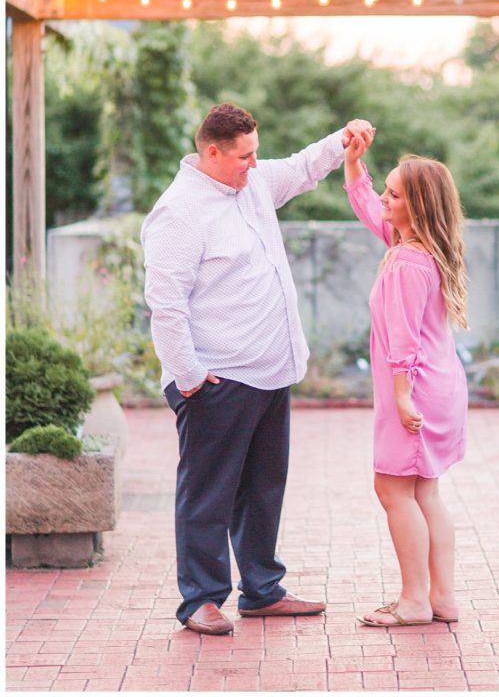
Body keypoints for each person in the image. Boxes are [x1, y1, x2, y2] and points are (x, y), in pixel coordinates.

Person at [141, 102, 374, 635]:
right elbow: (167, 305)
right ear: (213, 151)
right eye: (244, 155)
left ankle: (262, 590)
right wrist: (191, 378)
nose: (254, 162)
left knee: (264, 488)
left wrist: (344, 139)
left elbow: (301, 166)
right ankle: (200, 599)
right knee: (207, 494)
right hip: (217, 381)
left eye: (256, 152)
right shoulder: (179, 212)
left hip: (271, 371)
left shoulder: (253, 183)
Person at [343, 136, 469, 627]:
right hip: (437, 387)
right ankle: (442, 598)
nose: (384, 201)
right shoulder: (419, 248)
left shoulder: (404, 262)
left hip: (415, 390)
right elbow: (369, 210)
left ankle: (415, 601)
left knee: (394, 490)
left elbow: (403, 339)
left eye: (393, 194)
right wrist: (354, 165)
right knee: (424, 493)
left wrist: (399, 395)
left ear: (415, 206)